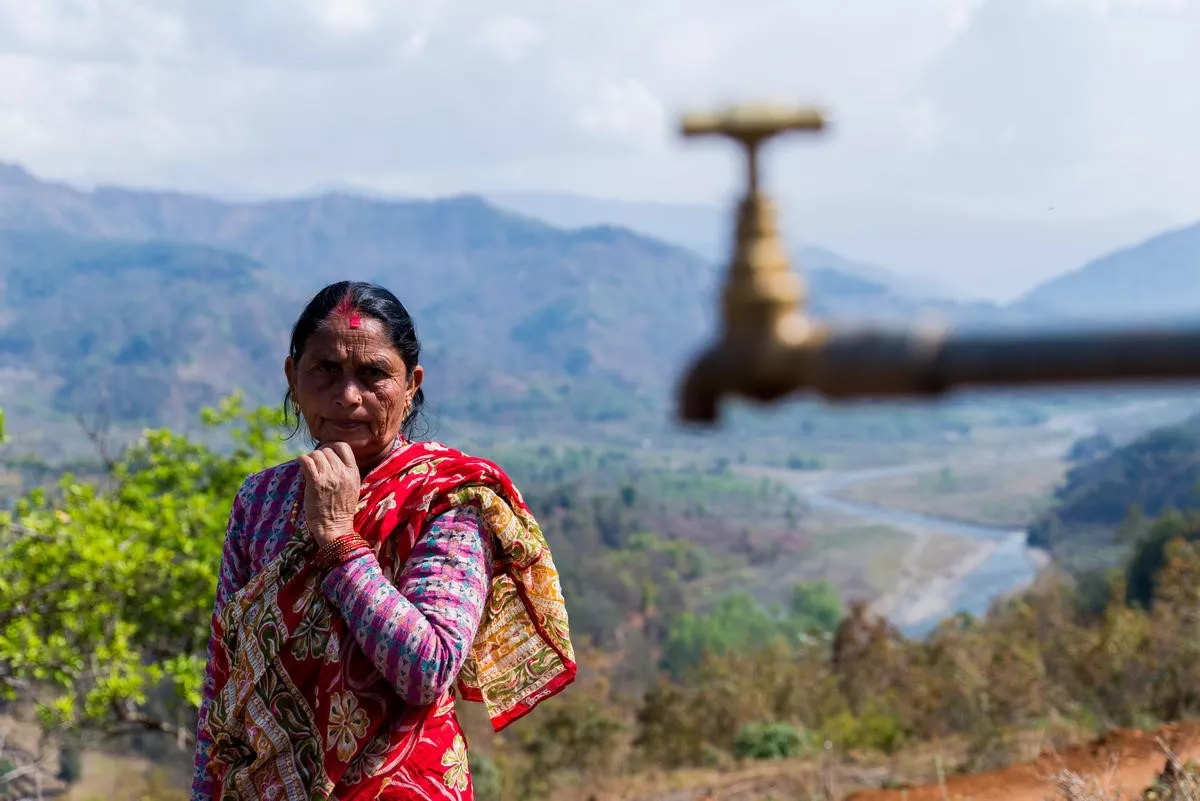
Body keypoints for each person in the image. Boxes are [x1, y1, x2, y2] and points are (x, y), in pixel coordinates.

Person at [190, 281, 576, 799]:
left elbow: (428, 667)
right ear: (292, 377)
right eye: (325, 370)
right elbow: (224, 671)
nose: (348, 396)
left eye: (372, 374)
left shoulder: (446, 500)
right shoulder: (261, 499)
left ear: (411, 384)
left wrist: (336, 540)